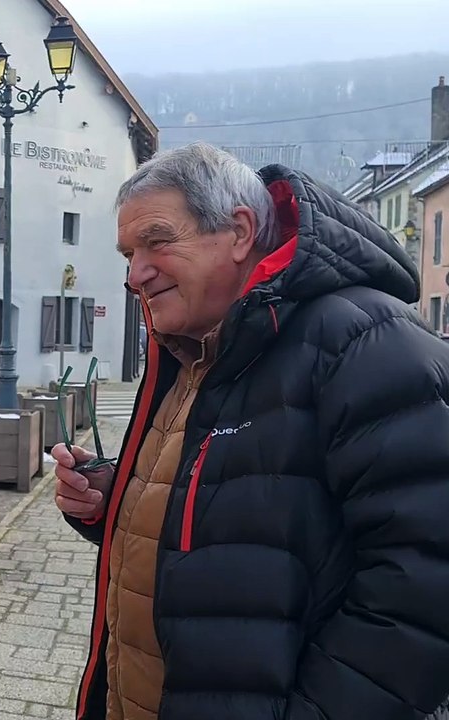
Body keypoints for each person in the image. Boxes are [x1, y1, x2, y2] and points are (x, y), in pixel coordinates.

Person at [53, 142, 449, 720]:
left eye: (157, 242)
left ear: (239, 232)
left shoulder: (362, 341)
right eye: (128, 253)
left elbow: (423, 587)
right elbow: (248, 523)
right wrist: (114, 502)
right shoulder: (194, 354)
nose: (134, 275)